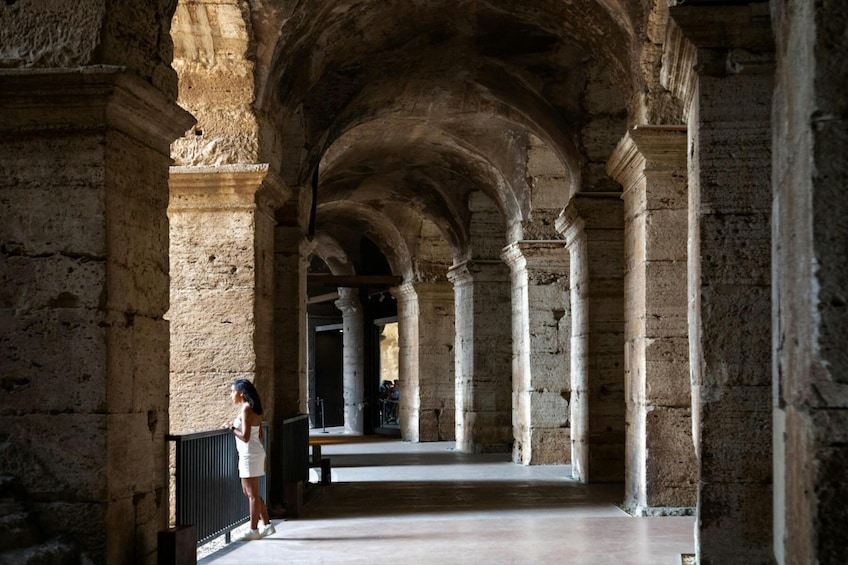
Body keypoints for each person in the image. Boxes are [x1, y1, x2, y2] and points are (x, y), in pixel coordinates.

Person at [223, 379, 275, 541]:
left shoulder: (246, 409)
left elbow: (245, 437)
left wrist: (231, 427)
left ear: (242, 393)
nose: (231, 394)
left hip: (249, 454)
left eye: (233, 391)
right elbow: (258, 434)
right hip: (253, 452)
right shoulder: (253, 409)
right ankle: (267, 525)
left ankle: (253, 529)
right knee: (250, 492)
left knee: (252, 494)